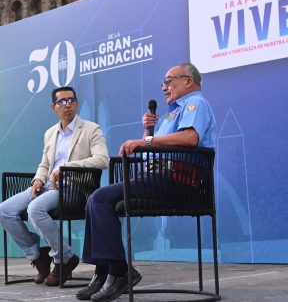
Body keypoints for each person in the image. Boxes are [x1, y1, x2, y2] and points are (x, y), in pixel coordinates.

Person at [76, 62, 216, 302]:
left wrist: (145, 142)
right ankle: (103, 273)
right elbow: (154, 147)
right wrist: (148, 133)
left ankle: (119, 272)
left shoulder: (196, 103)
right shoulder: (172, 112)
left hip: (180, 182)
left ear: (188, 81)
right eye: (163, 82)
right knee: (95, 200)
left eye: (169, 80)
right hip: (159, 177)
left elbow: (191, 138)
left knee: (99, 199)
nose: (164, 86)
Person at [0, 86, 109, 286]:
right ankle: (38, 255)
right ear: (54, 107)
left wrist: (66, 168)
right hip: (48, 186)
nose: (68, 105)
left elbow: (102, 160)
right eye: (62, 101)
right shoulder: (50, 133)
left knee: (34, 209)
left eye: (71, 100)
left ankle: (63, 258)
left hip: (74, 187)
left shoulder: (91, 129)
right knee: (3, 211)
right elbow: (45, 164)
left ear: (76, 103)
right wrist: (38, 179)